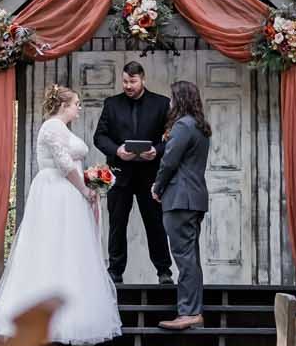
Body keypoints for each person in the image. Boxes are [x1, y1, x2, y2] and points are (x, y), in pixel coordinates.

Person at [0, 84, 123, 345]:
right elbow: (63, 164)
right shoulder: (52, 127)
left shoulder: (62, 128)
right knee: (52, 245)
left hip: (67, 190)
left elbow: (72, 162)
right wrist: (85, 189)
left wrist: (93, 181)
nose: (79, 108)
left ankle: (72, 311)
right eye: (76, 104)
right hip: (55, 190)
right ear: (64, 106)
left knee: (70, 249)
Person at [90, 60, 173, 286]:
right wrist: (117, 150)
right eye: (125, 81)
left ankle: (164, 271)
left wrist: (156, 150)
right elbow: (100, 137)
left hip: (151, 176)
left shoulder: (162, 104)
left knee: (156, 225)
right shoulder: (111, 104)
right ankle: (115, 273)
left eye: (132, 81)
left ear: (143, 80)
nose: (128, 86)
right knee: (117, 225)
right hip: (119, 175)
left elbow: (172, 137)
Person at [152, 79, 211, 331]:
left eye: (173, 98)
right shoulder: (200, 127)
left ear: (180, 100)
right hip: (194, 198)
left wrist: (157, 186)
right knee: (191, 257)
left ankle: (189, 312)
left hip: (180, 199)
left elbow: (169, 161)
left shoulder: (182, 126)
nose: (170, 103)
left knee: (185, 258)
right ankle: (193, 311)